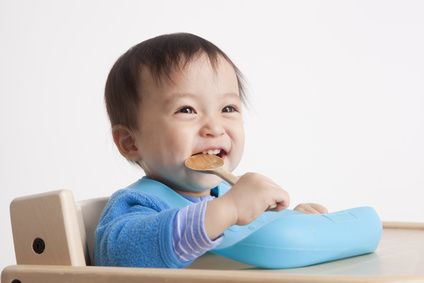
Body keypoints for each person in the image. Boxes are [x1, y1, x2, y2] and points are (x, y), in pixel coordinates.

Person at [95, 33, 327, 268]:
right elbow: (121, 257)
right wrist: (229, 209)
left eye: (228, 108)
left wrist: (288, 222)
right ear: (130, 142)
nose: (215, 128)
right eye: (186, 110)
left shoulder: (230, 193)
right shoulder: (137, 205)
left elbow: (257, 244)